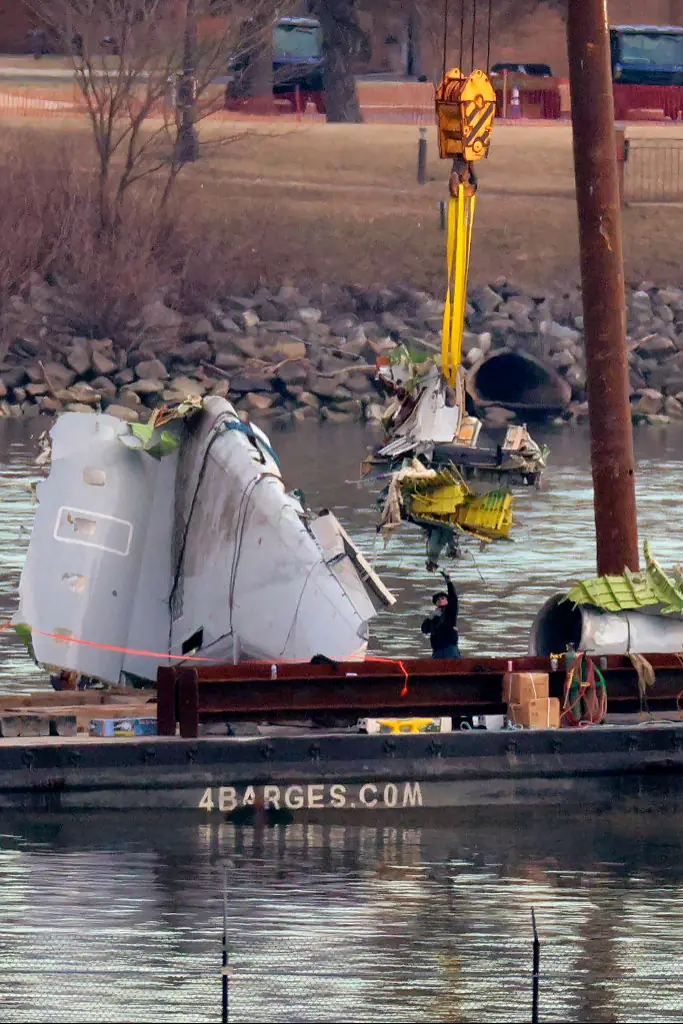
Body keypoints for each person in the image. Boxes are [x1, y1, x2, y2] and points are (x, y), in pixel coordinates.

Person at [421, 571, 461, 659]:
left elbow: (453, 598)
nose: (440, 600)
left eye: (442, 598)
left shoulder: (450, 611)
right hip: (437, 650)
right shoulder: (434, 616)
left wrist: (448, 580)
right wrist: (430, 618)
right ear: (435, 603)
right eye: (438, 599)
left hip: (450, 649)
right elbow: (424, 629)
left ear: (447, 600)